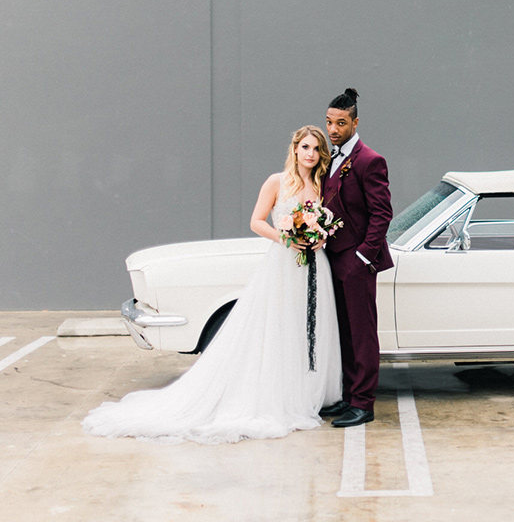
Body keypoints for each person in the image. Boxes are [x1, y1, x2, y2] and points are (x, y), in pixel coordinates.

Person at [83, 126, 342, 444]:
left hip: (316, 267)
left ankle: (308, 393)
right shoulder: (277, 182)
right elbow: (257, 221)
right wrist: (288, 238)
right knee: (280, 328)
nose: (311, 154)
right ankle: (281, 395)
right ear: (295, 149)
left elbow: (330, 221)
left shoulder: (322, 185)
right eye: (305, 147)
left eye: (316, 149)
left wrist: (319, 238)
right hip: (285, 264)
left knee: (310, 329)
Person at [318, 88, 393, 427]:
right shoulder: (330, 158)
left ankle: (364, 403)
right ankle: (349, 397)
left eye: (341, 123)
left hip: (357, 261)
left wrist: (364, 256)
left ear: (355, 122)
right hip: (333, 257)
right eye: (330, 122)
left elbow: (382, 214)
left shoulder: (369, 160)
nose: (333, 129)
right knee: (344, 332)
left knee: (362, 333)